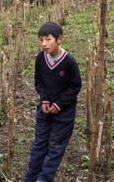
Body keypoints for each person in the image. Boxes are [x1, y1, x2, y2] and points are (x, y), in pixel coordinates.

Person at [24, 22, 82, 182]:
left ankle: (43, 179)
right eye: (41, 40)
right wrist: (44, 100)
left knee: (55, 147)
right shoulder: (40, 58)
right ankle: (30, 178)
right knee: (39, 144)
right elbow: (39, 81)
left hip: (64, 113)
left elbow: (75, 86)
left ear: (59, 40)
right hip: (44, 110)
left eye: (48, 39)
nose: (44, 44)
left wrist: (58, 104)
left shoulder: (69, 61)